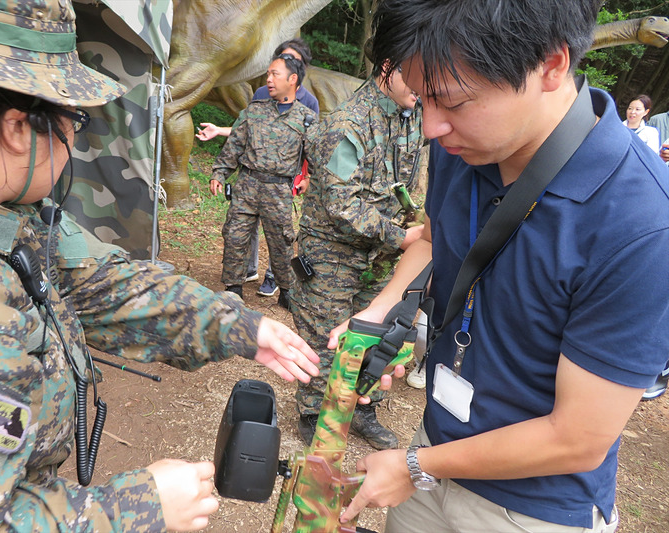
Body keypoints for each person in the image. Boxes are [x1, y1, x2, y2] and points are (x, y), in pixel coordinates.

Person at [0, 2, 322, 532]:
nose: (76, 138)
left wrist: (237, 325)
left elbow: (99, 283)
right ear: (18, 127)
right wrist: (138, 508)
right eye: (73, 119)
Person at [335, 1, 669, 532]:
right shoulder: (461, 144)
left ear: (551, 65)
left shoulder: (643, 222)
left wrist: (414, 465)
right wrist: (385, 311)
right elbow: (432, 236)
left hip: (532, 507)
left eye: (451, 102)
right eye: (421, 99)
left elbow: (577, 439)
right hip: (435, 451)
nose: (429, 127)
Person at [290, 64, 425, 450]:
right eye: (414, 74)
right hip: (333, 250)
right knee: (325, 334)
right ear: (387, 70)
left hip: (380, 251)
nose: (421, 86)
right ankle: (314, 412)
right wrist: (402, 237)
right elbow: (341, 205)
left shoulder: (411, 115)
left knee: (377, 330)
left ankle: (362, 409)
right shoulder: (346, 125)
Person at [198, 38, 319, 299]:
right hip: (247, 186)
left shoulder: (306, 118)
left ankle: (286, 291)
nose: (269, 79)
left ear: (293, 80)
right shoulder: (254, 110)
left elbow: (315, 156)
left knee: (282, 244)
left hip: (278, 191)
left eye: (275, 74)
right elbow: (235, 145)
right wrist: (219, 172)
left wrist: (308, 178)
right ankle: (233, 288)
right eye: (268, 74)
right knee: (235, 236)